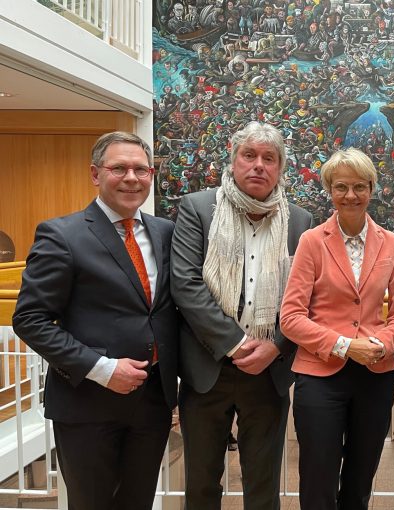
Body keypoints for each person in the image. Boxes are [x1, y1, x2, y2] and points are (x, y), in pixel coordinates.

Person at [12, 132, 178, 510]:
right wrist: (102, 369)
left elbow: (167, 312)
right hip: (87, 404)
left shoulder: (165, 232)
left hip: (152, 403)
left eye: (141, 169)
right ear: (95, 174)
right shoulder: (62, 235)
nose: (132, 178)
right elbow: (30, 319)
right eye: (119, 168)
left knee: (138, 502)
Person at [171, 121, 312, 510]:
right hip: (207, 367)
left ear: (281, 168)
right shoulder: (198, 208)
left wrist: (275, 347)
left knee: (263, 485)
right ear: (232, 161)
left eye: (269, 159)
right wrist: (235, 344)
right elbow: (185, 284)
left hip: (268, 373)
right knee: (201, 485)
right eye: (249, 156)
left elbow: (304, 298)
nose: (258, 166)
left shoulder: (299, 221)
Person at [280, 148, 394, 510]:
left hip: (375, 375)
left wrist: (380, 345)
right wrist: (344, 345)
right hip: (320, 377)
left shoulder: (392, 244)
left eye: (359, 187)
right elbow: (290, 317)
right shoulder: (311, 242)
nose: (350, 195)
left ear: (372, 188)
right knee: (318, 480)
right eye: (341, 187)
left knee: (359, 480)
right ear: (329, 190)